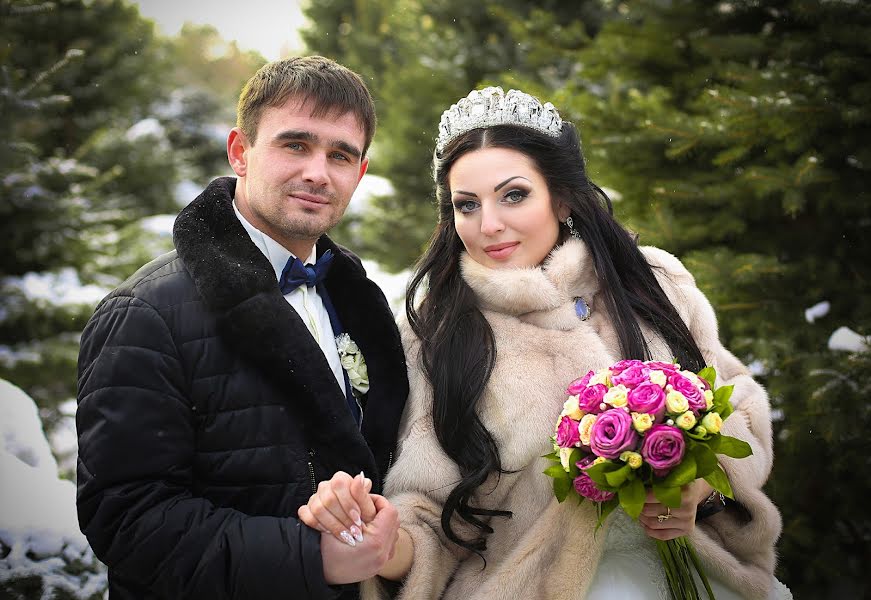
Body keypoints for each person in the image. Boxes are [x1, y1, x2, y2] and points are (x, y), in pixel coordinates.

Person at [299, 86, 792, 599]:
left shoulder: (655, 285)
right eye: (466, 205)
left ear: (560, 196)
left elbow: (739, 412)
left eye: (513, 195)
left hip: (698, 576)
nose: (489, 225)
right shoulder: (439, 336)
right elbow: (426, 514)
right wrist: (385, 544)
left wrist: (698, 484)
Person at [75, 56, 408, 599]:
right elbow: (127, 519)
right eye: (295, 145)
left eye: (340, 155)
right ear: (240, 152)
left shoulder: (362, 305)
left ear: (360, 172)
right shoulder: (145, 312)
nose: (318, 173)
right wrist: (311, 557)